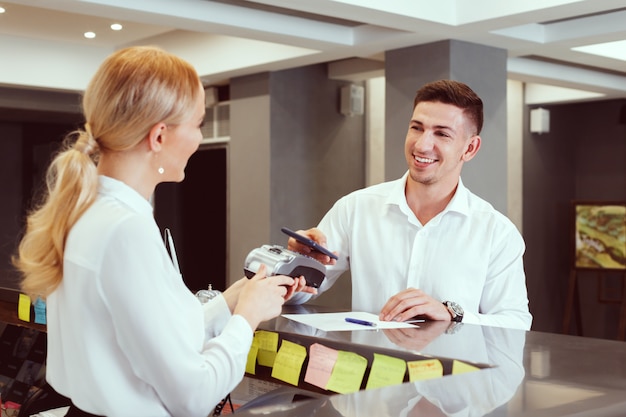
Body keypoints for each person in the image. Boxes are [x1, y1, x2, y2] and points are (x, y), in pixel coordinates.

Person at [13, 46, 312, 417]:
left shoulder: (89, 211)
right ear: (158, 137)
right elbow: (192, 396)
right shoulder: (126, 231)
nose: (201, 139)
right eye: (199, 124)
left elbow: (154, 339)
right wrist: (247, 318)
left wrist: (236, 297)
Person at [287, 79, 532, 331]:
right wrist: (296, 265)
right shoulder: (355, 209)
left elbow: (515, 323)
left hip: (454, 371)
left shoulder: (497, 233)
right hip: (372, 366)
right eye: (417, 128)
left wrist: (452, 314)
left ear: (470, 148)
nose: (422, 144)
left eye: (442, 133)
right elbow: (301, 292)